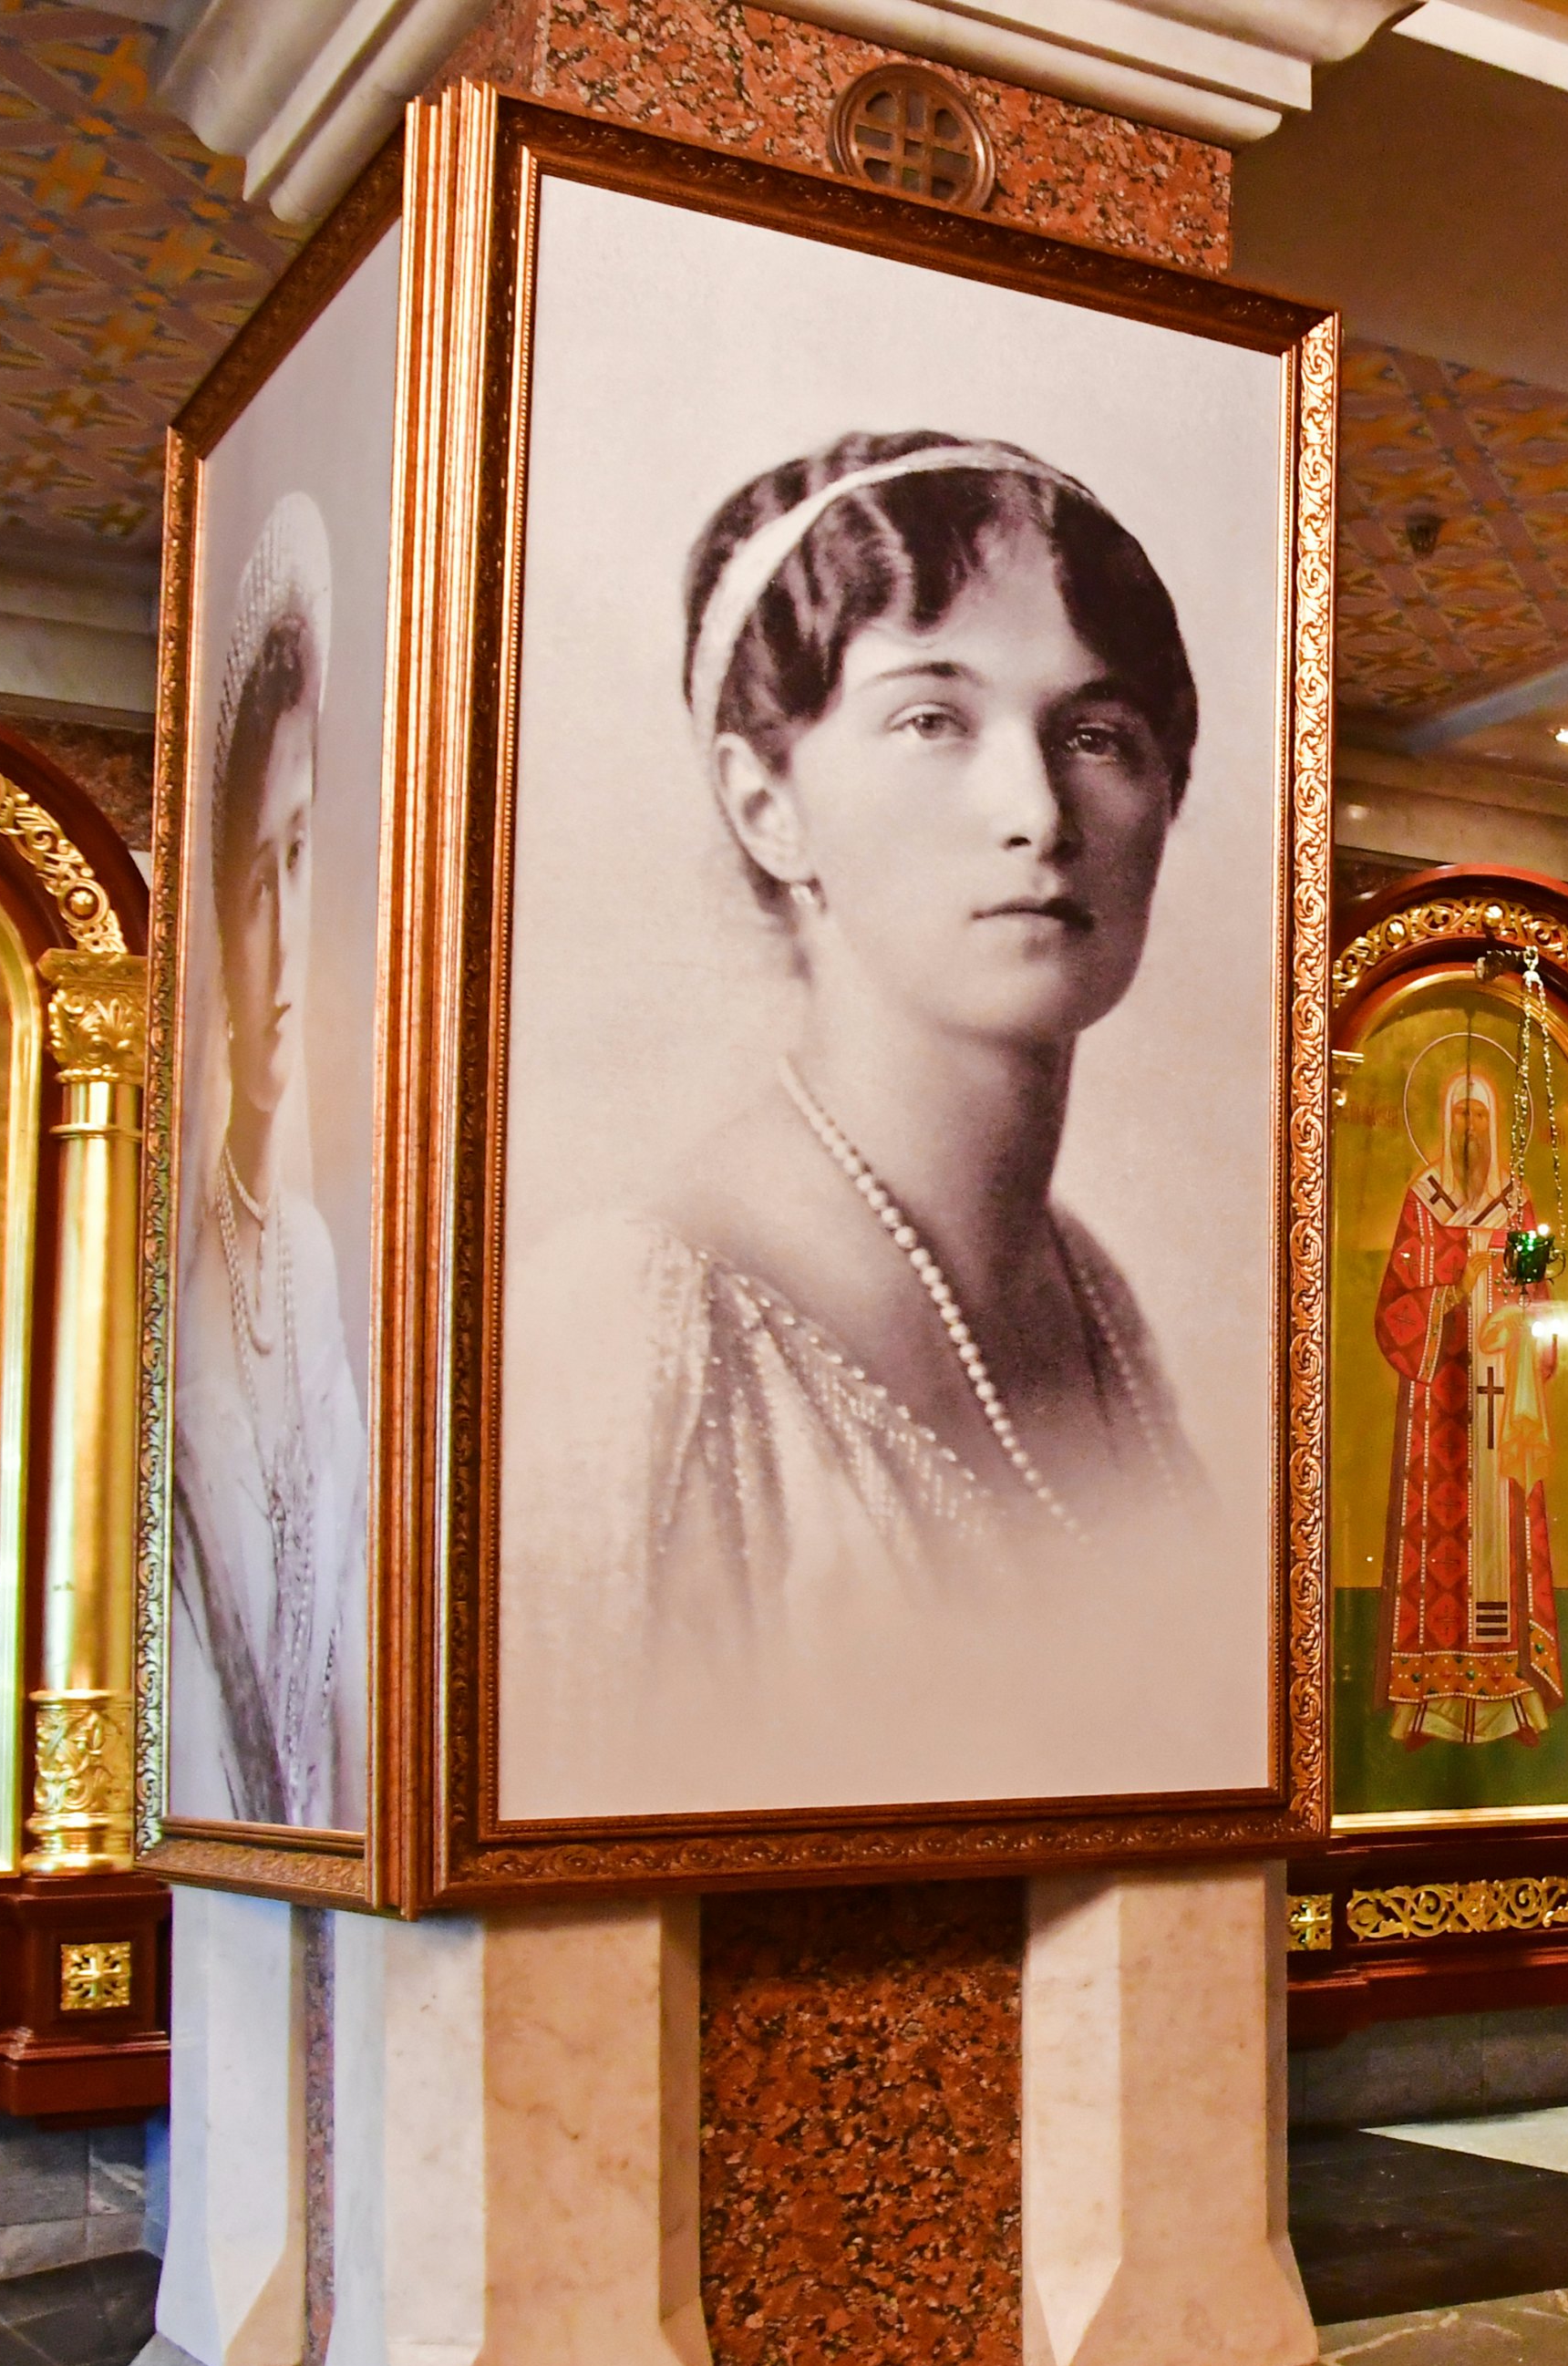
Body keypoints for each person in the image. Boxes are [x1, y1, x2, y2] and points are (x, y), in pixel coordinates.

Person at [505, 430, 1208, 1810]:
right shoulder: (639, 1329)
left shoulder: (1098, 1299)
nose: (1037, 813)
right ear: (768, 806)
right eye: (931, 719)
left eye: (1096, 734)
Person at [170, 494, 367, 1835]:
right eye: (257, 874)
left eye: (306, 862)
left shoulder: (302, 1252)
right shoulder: (195, 1268)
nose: (288, 937)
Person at [1372, 1054, 1566, 1747]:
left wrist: (1515, 1322)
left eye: (1480, 1113)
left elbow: (1540, 1303)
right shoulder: (1421, 1201)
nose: (1469, 1127)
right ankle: (1423, 1702)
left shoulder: (1518, 1208)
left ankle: (1514, 1696)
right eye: (1460, 1112)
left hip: (1502, 1401)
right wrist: (1450, 1296)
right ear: (1440, 1120)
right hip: (1440, 1412)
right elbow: (1394, 1307)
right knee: (1436, 1534)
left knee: (1504, 1525)